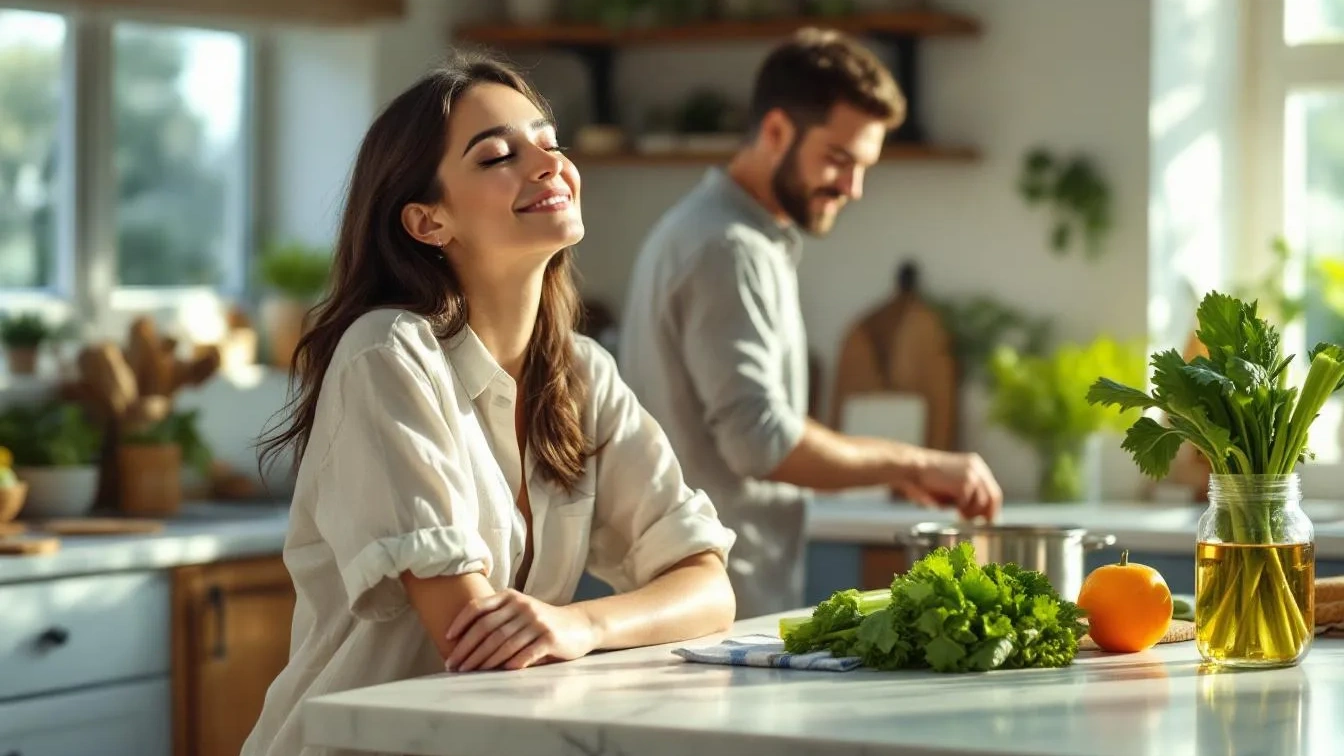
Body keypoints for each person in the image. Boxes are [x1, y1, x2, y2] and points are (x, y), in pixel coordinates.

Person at [244, 54, 736, 756]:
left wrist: (583, 625)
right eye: (499, 155)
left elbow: (708, 587)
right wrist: (586, 623)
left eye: (550, 140)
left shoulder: (582, 375)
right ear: (427, 221)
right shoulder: (386, 354)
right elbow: (473, 638)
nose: (547, 163)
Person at [618, 28, 1002, 620]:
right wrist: (920, 464)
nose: (853, 188)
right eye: (838, 160)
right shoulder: (728, 248)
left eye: (864, 166)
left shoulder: (726, 235)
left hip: (712, 594)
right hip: (718, 605)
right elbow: (760, 443)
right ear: (775, 131)